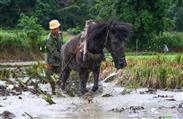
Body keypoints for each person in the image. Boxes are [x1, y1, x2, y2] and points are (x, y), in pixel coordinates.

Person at [45, 19, 63, 95]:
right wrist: (63, 57)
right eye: (55, 28)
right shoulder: (49, 39)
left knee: (60, 76)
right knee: (51, 78)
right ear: (52, 29)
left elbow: (61, 46)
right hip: (50, 62)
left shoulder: (59, 35)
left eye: (58, 28)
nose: (57, 29)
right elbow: (53, 52)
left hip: (59, 61)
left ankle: (61, 91)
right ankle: (53, 92)